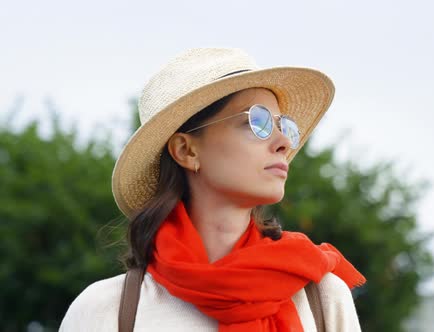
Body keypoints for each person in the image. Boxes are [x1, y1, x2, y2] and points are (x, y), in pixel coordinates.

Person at [59, 48, 366, 331]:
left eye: (282, 125)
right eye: (256, 121)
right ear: (186, 150)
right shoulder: (106, 311)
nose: (283, 142)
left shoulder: (321, 297)